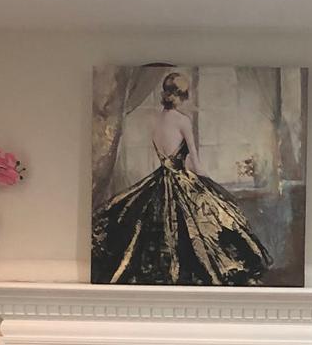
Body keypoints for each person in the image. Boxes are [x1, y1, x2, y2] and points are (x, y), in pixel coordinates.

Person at [93, 71, 272, 284]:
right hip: (181, 180)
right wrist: (210, 184)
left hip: (159, 182)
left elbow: (167, 157)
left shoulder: (156, 122)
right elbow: (195, 163)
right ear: (181, 95)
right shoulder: (183, 121)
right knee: (213, 221)